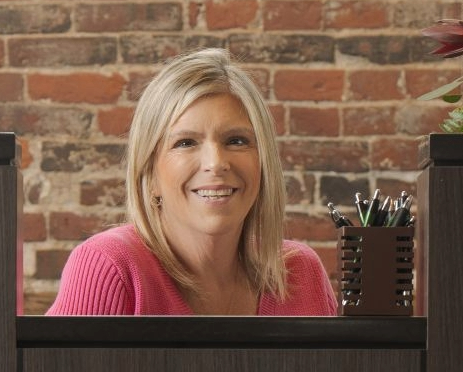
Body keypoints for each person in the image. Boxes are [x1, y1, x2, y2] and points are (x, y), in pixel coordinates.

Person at [46, 48, 337, 315]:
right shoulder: (108, 266)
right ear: (150, 173)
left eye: (236, 141)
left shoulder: (301, 272)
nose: (216, 163)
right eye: (185, 142)